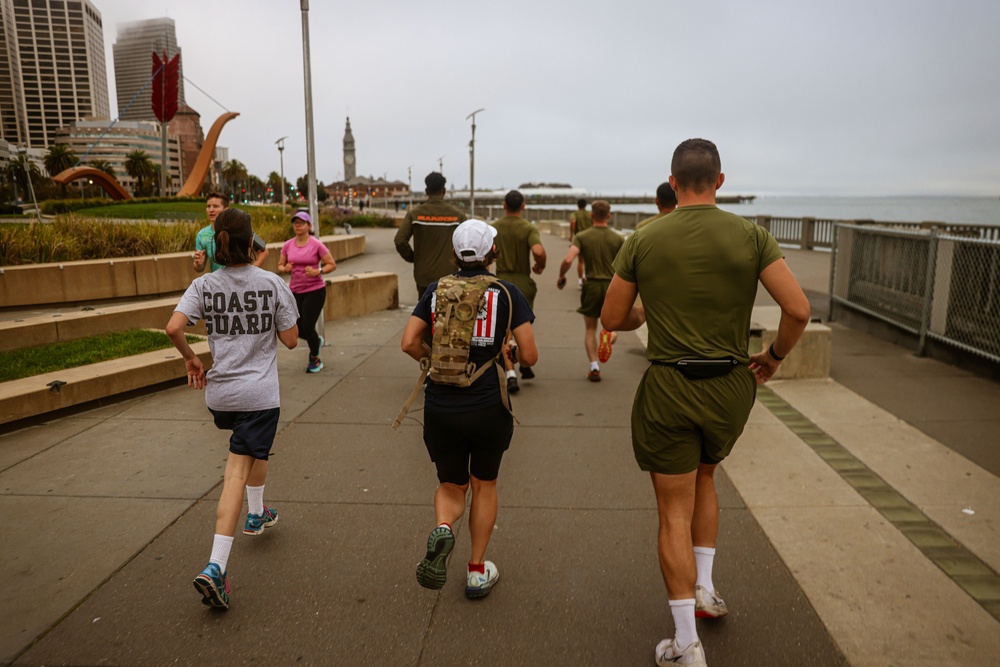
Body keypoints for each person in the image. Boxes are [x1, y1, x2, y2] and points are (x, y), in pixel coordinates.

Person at [601, 138, 810, 667]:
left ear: (673, 183)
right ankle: (707, 589)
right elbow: (798, 309)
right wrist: (774, 356)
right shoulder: (753, 236)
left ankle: (686, 643)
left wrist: (643, 317)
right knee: (706, 478)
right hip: (730, 387)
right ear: (720, 181)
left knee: (673, 511)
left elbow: (612, 318)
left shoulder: (644, 239)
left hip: (670, 386)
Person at [165, 207, 299, 610]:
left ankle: (259, 512)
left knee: (253, 447)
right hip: (259, 395)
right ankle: (215, 567)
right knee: (235, 470)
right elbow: (291, 340)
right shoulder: (271, 282)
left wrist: (191, 357)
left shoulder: (203, 285)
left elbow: (173, 327)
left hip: (221, 396)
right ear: (251, 241)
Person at [400, 219, 538, 600]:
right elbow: (530, 355)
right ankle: (477, 571)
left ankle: (444, 528)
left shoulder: (436, 290)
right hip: (488, 405)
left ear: (452, 254)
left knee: (450, 485)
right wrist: (504, 350)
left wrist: (432, 359)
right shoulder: (508, 293)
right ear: (493, 253)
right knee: (484, 484)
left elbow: (409, 342)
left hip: (441, 406)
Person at [556, 200, 622, 382]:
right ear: (609, 216)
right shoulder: (617, 239)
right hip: (612, 286)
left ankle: (594, 366)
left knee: (590, 328)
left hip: (591, 285)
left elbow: (569, 260)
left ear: (592, 215)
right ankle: (610, 336)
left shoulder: (583, 236)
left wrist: (561, 276)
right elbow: (627, 266)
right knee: (612, 325)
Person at [492, 189, 546, 392]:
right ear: (523, 206)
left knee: (505, 329)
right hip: (523, 283)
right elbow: (538, 251)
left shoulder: (494, 228)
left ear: (504, 205)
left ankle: (510, 372)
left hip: (501, 281)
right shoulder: (528, 228)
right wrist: (541, 264)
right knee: (521, 326)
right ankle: (523, 363)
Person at [277, 210, 337, 373]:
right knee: (297, 326)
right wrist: (285, 268)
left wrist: (319, 271)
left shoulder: (316, 244)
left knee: (308, 325)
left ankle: (315, 357)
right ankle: (316, 340)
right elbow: (280, 266)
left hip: (315, 290)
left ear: (309, 226)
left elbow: (331, 264)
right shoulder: (288, 245)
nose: (297, 225)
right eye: (295, 223)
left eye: (301, 222)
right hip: (295, 291)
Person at [395, 171, 468, 298]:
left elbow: (400, 240)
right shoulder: (458, 216)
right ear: (444, 191)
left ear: (426, 191)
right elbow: (468, 243)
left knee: (424, 313)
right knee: (447, 312)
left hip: (423, 275)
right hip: (449, 275)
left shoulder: (415, 214)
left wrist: (413, 257)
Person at [193, 192, 268, 272]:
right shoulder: (202, 234)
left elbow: (264, 251)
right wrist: (198, 263)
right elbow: (199, 268)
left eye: (216, 206)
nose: (211, 210)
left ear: (226, 209)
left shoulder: (239, 228)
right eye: (208, 206)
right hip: (218, 282)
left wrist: (250, 272)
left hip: (240, 281)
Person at [568, 198, 592, 288]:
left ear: (578, 205)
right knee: (589, 260)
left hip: (580, 239)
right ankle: (587, 278)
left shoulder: (575, 214)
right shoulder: (590, 214)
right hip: (590, 238)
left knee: (581, 261)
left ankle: (580, 281)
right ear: (585, 205)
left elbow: (573, 221)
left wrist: (571, 234)